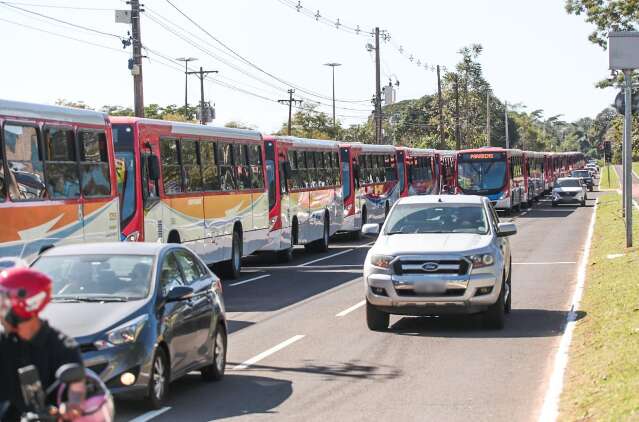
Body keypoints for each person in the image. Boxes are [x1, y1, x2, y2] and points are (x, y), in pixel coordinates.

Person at [0, 268, 86, 421]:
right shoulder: (4, 341)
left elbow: (76, 385)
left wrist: (72, 405)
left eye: (4, 304)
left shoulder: (63, 346)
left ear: (26, 305)